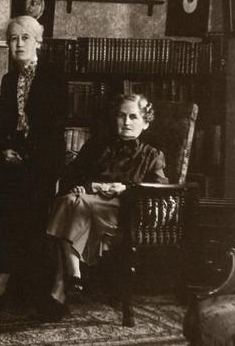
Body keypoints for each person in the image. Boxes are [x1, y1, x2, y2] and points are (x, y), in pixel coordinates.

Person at [0, 15, 67, 304]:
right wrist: (4, 150)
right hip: (12, 159)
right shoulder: (9, 81)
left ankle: (2, 278)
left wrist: (25, 153)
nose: (18, 44)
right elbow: (0, 125)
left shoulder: (53, 77)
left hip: (42, 161)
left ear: (38, 43)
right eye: (13, 38)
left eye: (25, 38)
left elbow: (53, 126)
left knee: (16, 199)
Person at [44, 94, 169, 321]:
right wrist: (82, 186)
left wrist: (125, 188)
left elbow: (159, 191)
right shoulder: (99, 146)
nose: (127, 122)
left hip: (122, 212)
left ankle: (64, 283)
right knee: (70, 199)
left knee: (71, 204)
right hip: (88, 205)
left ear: (146, 122)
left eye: (134, 117)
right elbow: (71, 174)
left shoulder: (152, 155)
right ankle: (73, 277)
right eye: (122, 116)